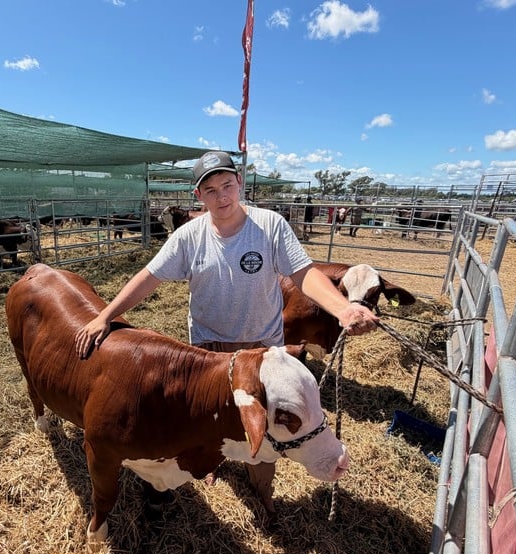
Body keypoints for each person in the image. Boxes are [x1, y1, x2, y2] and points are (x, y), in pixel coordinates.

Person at [73, 150, 379, 514]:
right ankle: (208, 464)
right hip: (209, 352)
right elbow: (149, 277)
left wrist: (342, 308)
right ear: (198, 196)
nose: (222, 197)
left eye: (227, 185)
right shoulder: (189, 236)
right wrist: (106, 314)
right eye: (211, 190)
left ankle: (262, 488)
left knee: (269, 428)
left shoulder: (270, 225)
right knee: (205, 423)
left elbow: (303, 273)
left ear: (240, 184)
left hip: (262, 351)